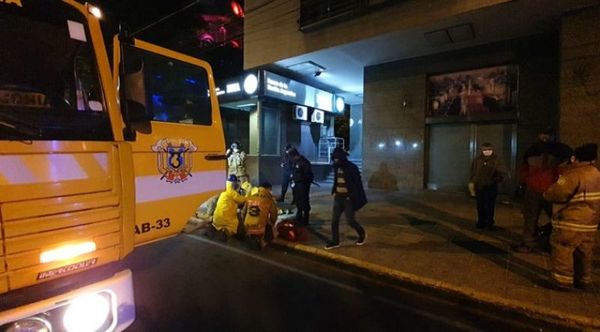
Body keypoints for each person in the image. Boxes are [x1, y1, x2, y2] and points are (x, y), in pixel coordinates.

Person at [543, 143, 600, 290]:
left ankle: (562, 280)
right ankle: (584, 279)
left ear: (575, 158)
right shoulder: (596, 174)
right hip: (590, 222)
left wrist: (547, 193)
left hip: (571, 221)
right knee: (585, 252)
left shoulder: (573, 174)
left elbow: (556, 193)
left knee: (563, 249)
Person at [513, 128, 573, 253]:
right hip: (535, 189)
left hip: (552, 190)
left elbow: (566, 171)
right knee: (531, 217)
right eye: (542, 135)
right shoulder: (532, 150)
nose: (544, 137)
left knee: (555, 219)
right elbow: (524, 169)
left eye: (546, 135)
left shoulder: (562, 150)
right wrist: (524, 183)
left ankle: (552, 243)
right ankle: (531, 243)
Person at [325, 147, 367, 250]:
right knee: (334, 221)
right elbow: (337, 180)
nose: (335, 160)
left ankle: (362, 233)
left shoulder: (352, 168)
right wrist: (335, 191)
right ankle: (335, 242)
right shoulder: (336, 167)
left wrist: (351, 195)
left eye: (337, 158)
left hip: (348, 199)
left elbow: (357, 184)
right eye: (334, 158)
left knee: (350, 221)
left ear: (342, 158)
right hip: (338, 197)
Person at [469, 142, 506, 229]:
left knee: (490, 205)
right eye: (485, 150)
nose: (487, 151)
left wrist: (496, 179)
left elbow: (502, 173)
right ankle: (481, 221)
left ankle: (489, 222)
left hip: (491, 186)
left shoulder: (496, 160)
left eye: (488, 150)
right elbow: (473, 172)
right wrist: (472, 182)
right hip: (480, 186)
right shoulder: (478, 160)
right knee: (480, 205)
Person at [242, 181, 279, 249]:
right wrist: (272, 223)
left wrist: (243, 225)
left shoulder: (251, 193)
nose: (271, 191)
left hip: (247, 226)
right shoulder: (268, 197)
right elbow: (274, 214)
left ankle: (250, 236)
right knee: (275, 231)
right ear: (268, 189)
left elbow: (243, 212)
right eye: (270, 190)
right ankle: (262, 242)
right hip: (260, 228)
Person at [212, 174, 247, 239]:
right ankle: (226, 234)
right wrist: (247, 197)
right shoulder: (232, 192)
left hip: (216, 218)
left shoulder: (224, 189)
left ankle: (217, 229)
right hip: (226, 219)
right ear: (234, 183)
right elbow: (242, 200)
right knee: (233, 226)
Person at [288, 148, 314, 226]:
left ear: (295, 155)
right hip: (297, 184)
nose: (291, 159)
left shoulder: (304, 162)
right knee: (298, 201)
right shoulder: (295, 162)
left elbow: (309, 175)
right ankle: (299, 217)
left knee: (304, 201)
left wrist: (303, 180)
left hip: (303, 184)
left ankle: (306, 219)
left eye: (291, 157)